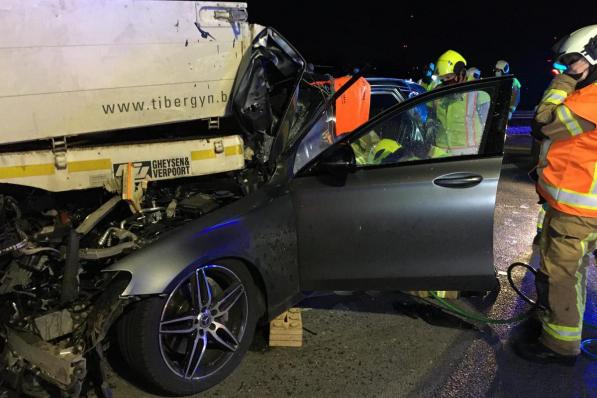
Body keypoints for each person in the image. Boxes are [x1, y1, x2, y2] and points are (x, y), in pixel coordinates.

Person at [512, 24, 597, 365]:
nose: (565, 69)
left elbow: (543, 122)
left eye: (572, 62)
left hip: (579, 210)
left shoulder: (591, 99)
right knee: (560, 271)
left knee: (562, 275)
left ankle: (559, 346)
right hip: (569, 206)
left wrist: (562, 82)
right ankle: (553, 323)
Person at [430, 50, 486, 155]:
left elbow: (488, 124)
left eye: (448, 77)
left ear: (462, 74)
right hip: (440, 154)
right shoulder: (437, 93)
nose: (445, 82)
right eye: (442, 79)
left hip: (468, 156)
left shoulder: (477, 92)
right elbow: (430, 116)